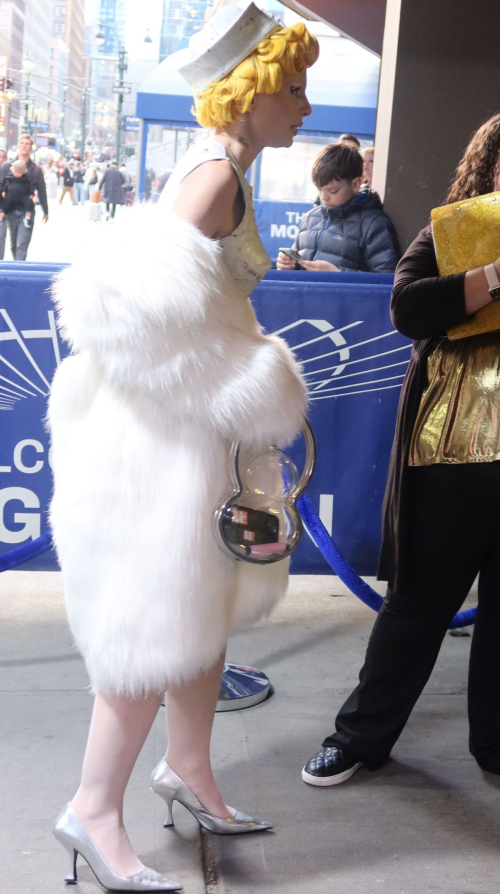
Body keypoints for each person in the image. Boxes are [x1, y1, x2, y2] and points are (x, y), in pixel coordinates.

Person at [48, 5, 318, 891]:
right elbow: (121, 319)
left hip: (185, 440)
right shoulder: (213, 179)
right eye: (292, 86)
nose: (305, 106)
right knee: (155, 628)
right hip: (164, 447)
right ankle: (91, 807)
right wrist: (257, 379)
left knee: (199, 620)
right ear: (248, 94)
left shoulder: (223, 170)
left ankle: (189, 769)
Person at [302, 111, 500, 787]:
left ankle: (496, 745)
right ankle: (360, 737)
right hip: (453, 453)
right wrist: (492, 276)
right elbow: (407, 307)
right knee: (417, 605)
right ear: (490, 167)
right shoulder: (453, 230)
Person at [277, 143, 398, 273]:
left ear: (356, 184)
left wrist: (338, 274)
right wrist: (288, 265)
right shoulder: (310, 217)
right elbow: (298, 263)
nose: (324, 197)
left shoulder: (375, 224)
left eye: (333, 191)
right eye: (319, 189)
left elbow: (386, 279)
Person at [0, 133, 48, 260]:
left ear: (31, 147)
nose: (24, 146)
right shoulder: (7, 166)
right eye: (22, 143)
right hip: (9, 209)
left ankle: (18, 271)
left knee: (22, 244)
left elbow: (42, 191)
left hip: (26, 210)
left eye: (27, 144)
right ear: (17, 145)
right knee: (13, 244)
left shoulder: (35, 169)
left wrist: (45, 211)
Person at [0, 160, 35, 258]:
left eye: (20, 172)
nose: (18, 174)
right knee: (14, 242)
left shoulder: (26, 179)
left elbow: (31, 187)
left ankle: (27, 218)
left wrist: (31, 194)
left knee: (21, 243)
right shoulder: (9, 178)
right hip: (11, 204)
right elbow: (4, 186)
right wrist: (4, 191)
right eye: (16, 172)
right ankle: (1, 216)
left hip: (23, 203)